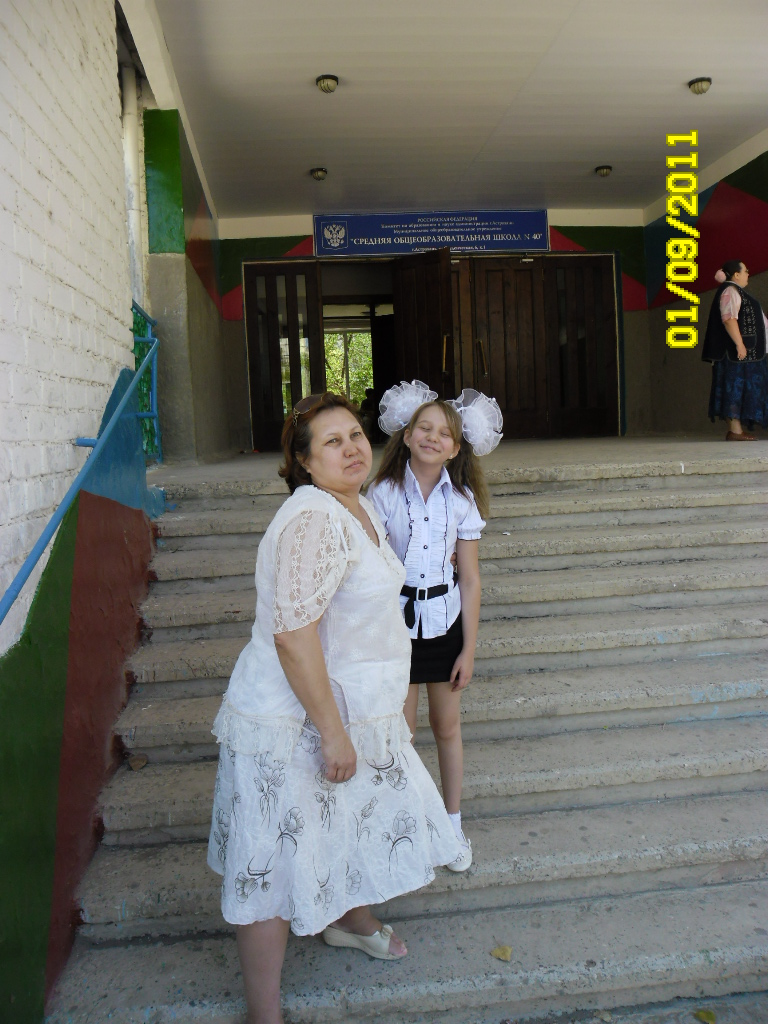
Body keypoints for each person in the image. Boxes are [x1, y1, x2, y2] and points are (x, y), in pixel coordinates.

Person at [207, 391, 459, 1024]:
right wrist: (332, 733)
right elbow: (293, 637)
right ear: (303, 459)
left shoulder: (356, 505)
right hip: (294, 721)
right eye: (331, 441)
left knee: (345, 822)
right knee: (267, 867)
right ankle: (265, 1014)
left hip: (346, 709)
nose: (351, 449)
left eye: (355, 435)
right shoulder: (312, 520)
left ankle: (348, 918)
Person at [367, 381, 502, 874]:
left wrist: (468, 649)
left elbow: (470, 578)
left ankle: (451, 823)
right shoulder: (382, 494)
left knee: (447, 727)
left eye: (444, 433)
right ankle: (401, 823)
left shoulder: (461, 501)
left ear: (456, 448)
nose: (432, 437)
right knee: (400, 734)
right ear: (406, 436)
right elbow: (371, 565)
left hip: (444, 626)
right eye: (423, 428)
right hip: (395, 628)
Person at [702, 260, 768, 440]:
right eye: (746, 271)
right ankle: (735, 431)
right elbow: (729, 319)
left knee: (739, 388)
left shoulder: (736, 291)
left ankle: (736, 430)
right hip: (736, 354)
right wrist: (740, 344)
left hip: (747, 354)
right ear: (736, 274)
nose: (748, 274)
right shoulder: (730, 291)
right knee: (734, 388)